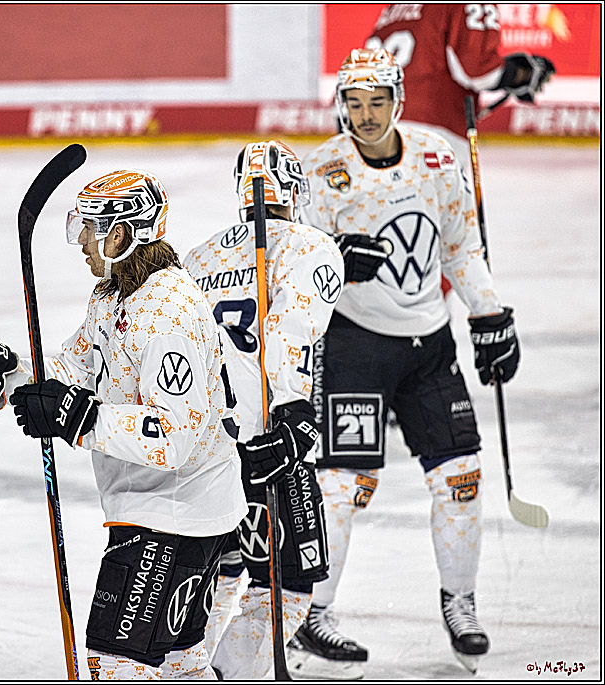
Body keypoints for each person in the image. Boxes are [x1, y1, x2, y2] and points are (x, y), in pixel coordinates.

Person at [0, 170, 249, 679]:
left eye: (90, 227)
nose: (80, 239)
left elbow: (173, 437)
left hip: (175, 513)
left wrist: (77, 416)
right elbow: (69, 373)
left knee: (120, 668)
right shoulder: (112, 297)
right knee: (179, 665)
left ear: (122, 233)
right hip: (169, 509)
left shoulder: (166, 311)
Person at [289, 48, 521, 677]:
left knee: (461, 478)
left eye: (377, 101)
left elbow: (461, 248)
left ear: (398, 99)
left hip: (428, 348)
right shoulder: (322, 171)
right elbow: (294, 270)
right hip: (356, 350)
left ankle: (460, 603)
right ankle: (312, 614)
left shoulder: (439, 157)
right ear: (342, 106)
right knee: (341, 489)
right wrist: (332, 262)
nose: (366, 116)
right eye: (354, 104)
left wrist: (490, 314)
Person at [182, 140, 343, 679]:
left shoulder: (197, 256)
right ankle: (236, 670)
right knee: (289, 589)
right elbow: (286, 333)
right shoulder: (313, 245)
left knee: (218, 578)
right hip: (266, 447)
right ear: (294, 189)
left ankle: (201, 667)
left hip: (200, 450)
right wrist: (295, 418)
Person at [365, 3, 555, 164]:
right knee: (435, 206)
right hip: (433, 134)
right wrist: (522, 74)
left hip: (375, 135)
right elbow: (478, 70)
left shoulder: (393, 10)